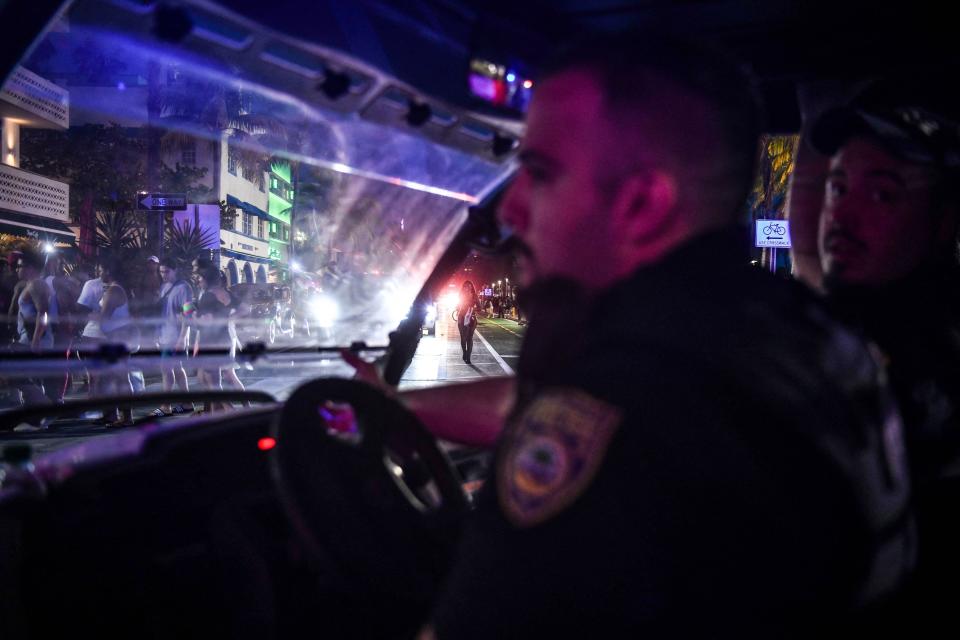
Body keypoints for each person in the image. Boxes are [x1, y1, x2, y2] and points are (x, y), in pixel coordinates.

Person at [342, 34, 915, 636]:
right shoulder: (799, 336)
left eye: (539, 173)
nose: (510, 211)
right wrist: (395, 407)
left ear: (642, 205)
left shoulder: (626, 410)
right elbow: (563, 405)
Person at [805, 83, 960, 620]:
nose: (841, 216)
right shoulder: (833, 329)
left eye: (882, 195)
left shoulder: (917, 363)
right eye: (837, 186)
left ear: (944, 224)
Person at [194, 266, 246, 412]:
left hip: (211, 342)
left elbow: (207, 321)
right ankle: (214, 415)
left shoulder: (207, 296)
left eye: (200, 279)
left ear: (207, 279)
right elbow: (245, 309)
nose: (198, 282)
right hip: (225, 340)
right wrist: (229, 318)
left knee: (214, 384)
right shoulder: (226, 294)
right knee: (214, 382)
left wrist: (192, 317)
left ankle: (231, 414)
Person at [154, 257, 193, 417]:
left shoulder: (184, 288)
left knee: (167, 368)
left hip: (175, 336)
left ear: (175, 270)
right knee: (176, 368)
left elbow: (188, 314)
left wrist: (182, 338)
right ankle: (187, 402)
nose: (163, 275)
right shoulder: (164, 287)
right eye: (161, 271)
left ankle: (166, 405)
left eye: (166, 271)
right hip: (165, 334)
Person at [455, 280, 479, 364]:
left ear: (472, 287)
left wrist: (473, 309)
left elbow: (480, 308)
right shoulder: (460, 295)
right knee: (463, 338)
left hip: (471, 318)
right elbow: (457, 306)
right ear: (463, 288)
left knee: (469, 338)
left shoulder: (475, 296)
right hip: (461, 318)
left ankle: (468, 357)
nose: (467, 288)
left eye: (469, 286)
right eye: (465, 286)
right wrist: (459, 308)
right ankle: (464, 352)